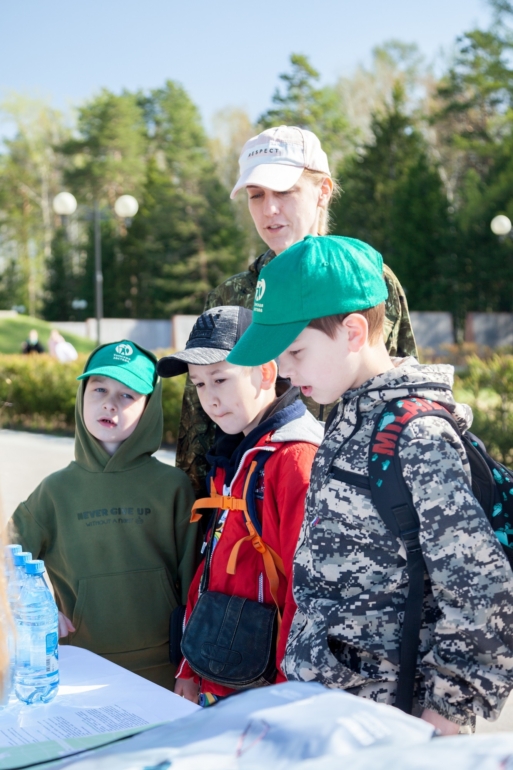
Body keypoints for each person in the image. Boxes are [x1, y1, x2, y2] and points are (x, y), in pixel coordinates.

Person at [227, 234, 513, 734]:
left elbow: (482, 596)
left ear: (354, 331)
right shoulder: (348, 416)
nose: (287, 373)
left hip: (388, 728)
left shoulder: (416, 436)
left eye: (295, 351)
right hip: (328, 715)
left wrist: (441, 720)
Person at [176, 125, 417, 497]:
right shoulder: (231, 294)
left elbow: (400, 391)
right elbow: (199, 430)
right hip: (258, 514)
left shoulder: (368, 280)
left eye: (285, 192)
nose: (269, 209)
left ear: (323, 191)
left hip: (361, 504)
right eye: (256, 196)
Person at [8, 340, 198, 690]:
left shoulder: (173, 486)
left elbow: (194, 585)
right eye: (99, 389)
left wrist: (191, 670)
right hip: (79, 666)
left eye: (128, 395)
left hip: (164, 669)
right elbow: (8, 558)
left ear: (150, 407)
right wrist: (32, 608)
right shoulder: (54, 491)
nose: (110, 402)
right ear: (82, 395)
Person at [157, 306, 323, 705]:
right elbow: (211, 566)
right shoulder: (235, 454)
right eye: (198, 384)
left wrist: (286, 699)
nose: (210, 399)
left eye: (220, 379)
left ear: (266, 372)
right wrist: (190, 666)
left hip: (267, 692)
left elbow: (308, 594)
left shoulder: (294, 459)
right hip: (221, 674)